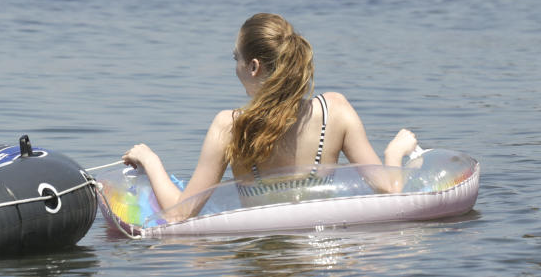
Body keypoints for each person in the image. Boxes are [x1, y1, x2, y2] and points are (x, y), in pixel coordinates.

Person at [122, 13, 420, 218]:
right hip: (323, 258)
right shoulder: (336, 110)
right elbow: (392, 189)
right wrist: (394, 152)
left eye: (235, 58)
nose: (234, 67)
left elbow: (179, 214)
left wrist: (150, 159)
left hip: (257, 256)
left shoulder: (229, 125)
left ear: (253, 67)